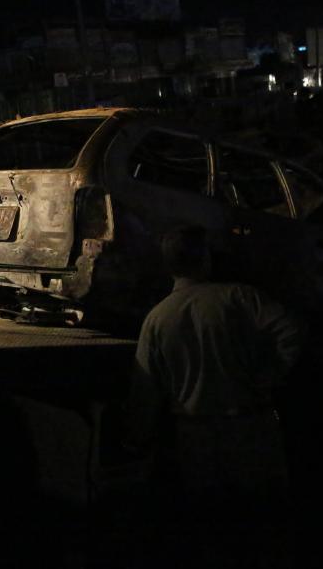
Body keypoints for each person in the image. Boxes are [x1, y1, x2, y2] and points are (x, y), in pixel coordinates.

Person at [124, 226, 305, 567]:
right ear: (205, 258)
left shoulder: (157, 318)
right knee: (263, 523)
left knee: (213, 527)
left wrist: (137, 439)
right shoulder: (239, 297)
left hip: (196, 436)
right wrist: (269, 376)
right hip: (250, 426)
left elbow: (145, 388)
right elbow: (290, 332)